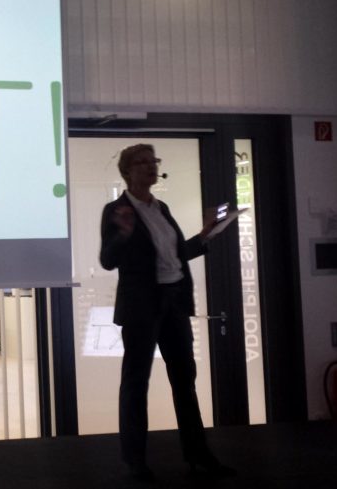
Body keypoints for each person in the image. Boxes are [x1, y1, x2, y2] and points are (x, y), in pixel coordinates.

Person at [99, 143, 235, 482]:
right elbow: (108, 260)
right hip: (141, 307)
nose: (151, 167)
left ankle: (198, 455)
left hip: (173, 302)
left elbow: (174, 256)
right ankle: (135, 462)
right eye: (142, 162)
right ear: (127, 172)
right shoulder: (116, 210)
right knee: (136, 383)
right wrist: (124, 234)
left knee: (185, 381)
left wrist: (205, 235)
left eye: (153, 161)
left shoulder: (162, 208)